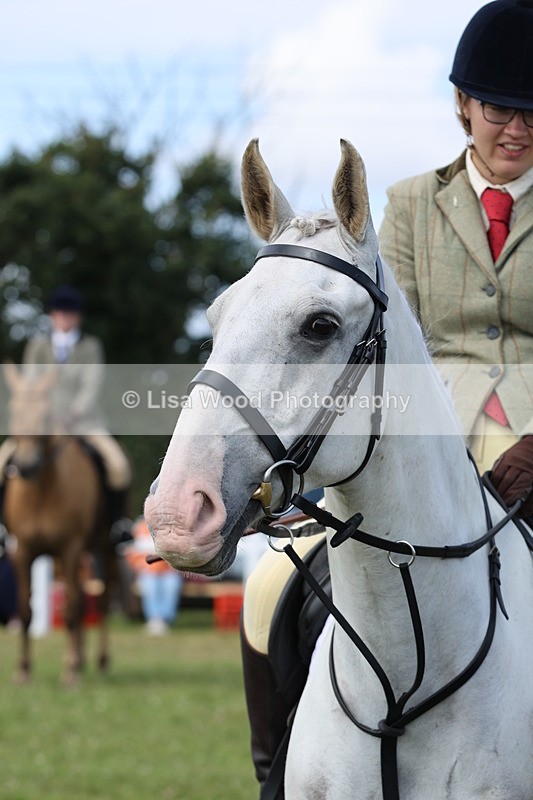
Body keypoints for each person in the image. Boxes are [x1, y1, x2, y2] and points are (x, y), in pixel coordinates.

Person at [240, 2, 533, 796]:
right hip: (417, 447)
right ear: (463, 105)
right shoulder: (401, 205)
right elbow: (386, 346)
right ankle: (278, 775)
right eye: (502, 107)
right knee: (273, 584)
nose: (517, 127)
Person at [0, 285, 132, 539]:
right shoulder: (37, 346)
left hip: (82, 422)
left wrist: (73, 413)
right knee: (1, 463)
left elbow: (91, 385)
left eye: (69, 313)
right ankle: (3, 527)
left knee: (118, 465)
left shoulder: (90, 346)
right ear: (52, 315)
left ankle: (117, 525)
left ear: (77, 316)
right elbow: (30, 384)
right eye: (60, 313)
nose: (64, 318)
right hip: (42, 425)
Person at [124, 517, 184, 635]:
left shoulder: (171, 528)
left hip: (169, 571)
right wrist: (141, 565)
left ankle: (166, 618)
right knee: (150, 585)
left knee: (172, 584)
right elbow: (132, 554)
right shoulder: (140, 527)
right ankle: (154, 619)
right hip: (147, 572)